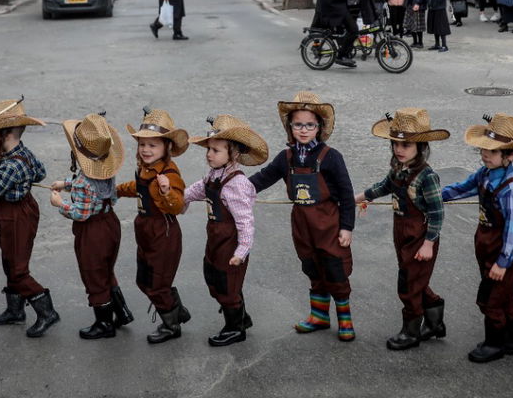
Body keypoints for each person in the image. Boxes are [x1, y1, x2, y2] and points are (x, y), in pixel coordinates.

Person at [251, 94, 355, 341]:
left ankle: (345, 319)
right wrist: (236, 188)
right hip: (302, 225)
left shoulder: (331, 156)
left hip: (328, 224)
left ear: (319, 127)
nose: (304, 129)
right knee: (312, 267)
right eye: (298, 124)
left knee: (334, 270)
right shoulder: (286, 158)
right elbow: (263, 178)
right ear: (290, 127)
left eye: (310, 125)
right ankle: (319, 316)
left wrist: (346, 227)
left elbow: (347, 195)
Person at [442, 113, 513, 364]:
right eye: (483, 149)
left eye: (493, 150)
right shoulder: (484, 174)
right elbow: (461, 188)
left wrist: (503, 262)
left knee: (490, 298)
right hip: (486, 244)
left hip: (503, 251)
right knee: (504, 295)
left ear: (511, 155)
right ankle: (509, 341)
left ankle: (494, 343)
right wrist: (435, 196)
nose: (485, 154)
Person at [357, 108, 449, 351]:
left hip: (420, 238)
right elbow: (384, 186)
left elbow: (437, 213)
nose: (399, 149)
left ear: (420, 146)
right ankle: (435, 321)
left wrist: (429, 242)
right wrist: (359, 197)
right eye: (395, 143)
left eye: (406, 145)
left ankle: (411, 332)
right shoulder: (398, 168)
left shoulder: (427, 176)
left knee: (408, 285)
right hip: (402, 235)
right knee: (415, 280)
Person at [0, 100, 59, 337]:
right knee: (9, 259)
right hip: (12, 213)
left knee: (18, 269)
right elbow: (40, 172)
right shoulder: (22, 153)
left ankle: (47, 311)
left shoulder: (12, 165)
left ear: (6, 134)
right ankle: (15, 309)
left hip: (17, 214)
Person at [182, 114, 266, 347]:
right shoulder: (214, 175)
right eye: (208, 149)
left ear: (234, 154)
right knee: (214, 278)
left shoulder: (236, 185)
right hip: (215, 240)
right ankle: (242, 316)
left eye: (216, 150)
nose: (210, 154)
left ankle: (235, 328)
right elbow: (199, 190)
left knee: (227, 284)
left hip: (230, 244)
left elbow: (245, 222)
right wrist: (181, 198)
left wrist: (242, 251)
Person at [48, 113, 130, 340]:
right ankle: (121, 311)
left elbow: (81, 214)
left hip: (93, 232)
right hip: (110, 224)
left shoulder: (84, 182)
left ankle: (104, 324)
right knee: (106, 269)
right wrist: (66, 184)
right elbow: (106, 195)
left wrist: (60, 203)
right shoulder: (106, 170)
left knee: (93, 273)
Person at [117, 108, 191, 344]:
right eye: (143, 145)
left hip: (164, 234)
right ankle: (176, 309)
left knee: (157, 284)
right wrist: (116, 191)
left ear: (166, 147)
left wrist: (167, 191)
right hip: (145, 232)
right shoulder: (145, 168)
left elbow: (177, 206)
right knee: (144, 280)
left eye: (153, 145)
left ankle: (171, 325)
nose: (146, 150)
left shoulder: (169, 173)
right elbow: (137, 187)